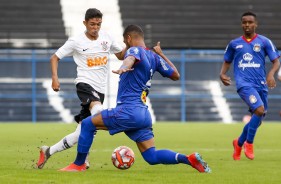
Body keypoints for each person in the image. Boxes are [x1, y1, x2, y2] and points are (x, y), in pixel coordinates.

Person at [59, 25, 211, 173]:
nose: (125, 47)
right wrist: (161, 54)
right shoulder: (154, 57)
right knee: (151, 156)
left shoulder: (134, 49)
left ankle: (78, 165)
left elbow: (131, 57)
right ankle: (189, 159)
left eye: (125, 43)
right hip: (143, 115)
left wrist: (124, 66)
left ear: (129, 38)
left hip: (128, 111)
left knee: (87, 124)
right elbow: (176, 75)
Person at [36, 8, 128, 169]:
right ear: (85, 23)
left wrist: (130, 44)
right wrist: (55, 78)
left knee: (82, 132)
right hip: (84, 84)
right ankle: (83, 159)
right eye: (92, 24)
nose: (95, 27)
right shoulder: (76, 41)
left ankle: (48, 151)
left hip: (100, 90)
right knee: (98, 113)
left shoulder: (107, 38)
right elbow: (54, 57)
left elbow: (120, 55)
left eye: (98, 24)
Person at [220, 11, 280, 160]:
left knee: (257, 119)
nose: (247, 25)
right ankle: (249, 143)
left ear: (256, 24)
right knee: (259, 110)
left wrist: (271, 74)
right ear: (242, 24)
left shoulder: (264, 42)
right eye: (244, 22)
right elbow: (227, 61)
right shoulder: (234, 44)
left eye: (250, 22)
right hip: (244, 84)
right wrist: (222, 74)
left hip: (261, 85)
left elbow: (276, 61)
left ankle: (238, 143)